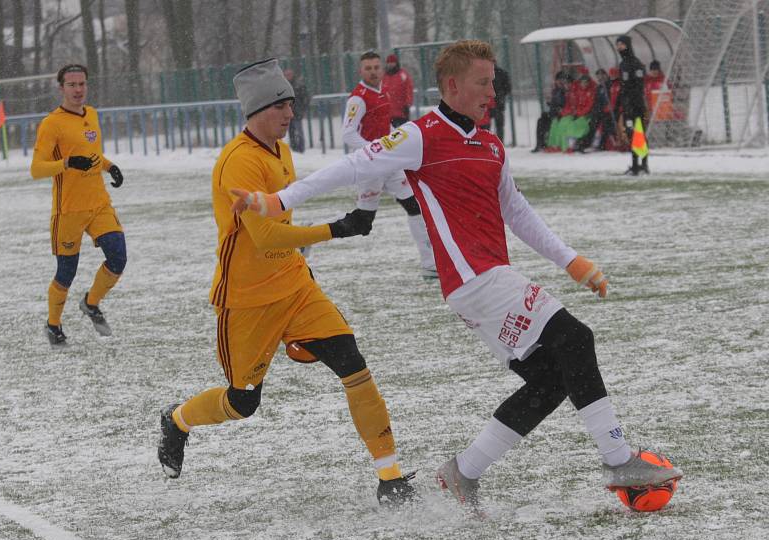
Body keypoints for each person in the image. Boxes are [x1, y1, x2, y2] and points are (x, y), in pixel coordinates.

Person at [230, 40, 683, 513]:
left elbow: (518, 212)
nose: (492, 92)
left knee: (551, 379)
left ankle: (464, 472)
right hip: (476, 280)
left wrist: (572, 261)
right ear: (452, 85)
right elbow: (353, 164)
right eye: (482, 83)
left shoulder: (490, 144)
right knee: (576, 339)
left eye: (493, 82)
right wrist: (280, 201)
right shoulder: (421, 135)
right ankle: (618, 460)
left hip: (486, 281)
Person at [157, 59, 415, 506]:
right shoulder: (237, 162)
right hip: (247, 299)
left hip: (295, 287)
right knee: (242, 403)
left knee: (353, 363)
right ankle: (176, 421)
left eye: (292, 106)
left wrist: (307, 264)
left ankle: (389, 477)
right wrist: (337, 228)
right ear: (259, 109)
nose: (291, 115)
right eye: (283, 107)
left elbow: (282, 225)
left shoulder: (280, 150)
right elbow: (267, 235)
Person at [30, 63, 126, 347]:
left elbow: (93, 154)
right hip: (68, 210)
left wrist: (110, 166)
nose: (78, 89)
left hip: (98, 204)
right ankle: (54, 325)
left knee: (118, 257)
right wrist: (67, 163)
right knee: (66, 273)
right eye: (71, 85)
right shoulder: (52, 123)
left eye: (82, 84)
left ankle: (90, 303)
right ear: (61, 88)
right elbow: (36, 168)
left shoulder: (92, 115)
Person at [343, 51, 436, 279]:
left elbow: (384, 126)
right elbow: (348, 134)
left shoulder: (383, 89)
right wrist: (372, 151)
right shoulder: (358, 98)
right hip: (371, 166)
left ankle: (430, 264)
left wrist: (395, 139)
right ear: (360, 71)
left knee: (415, 205)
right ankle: (311, 237)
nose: (373, 71)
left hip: (390, 163)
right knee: (363, 223)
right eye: (368, 68)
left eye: (376, 67)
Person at [614, 35, 649, 175]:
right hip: (627, 105)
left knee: (638, 134)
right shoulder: (622, 64)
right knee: (630, 133)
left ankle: (643, 165)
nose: (619, 47)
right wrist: (620, 103)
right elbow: (623, 87)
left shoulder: (636, 63)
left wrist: (631, 102)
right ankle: (635, 164)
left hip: (637, 105)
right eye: (617, 45)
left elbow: (638, 87)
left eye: (621, 44)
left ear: (628, 45)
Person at [575, 69, 617, 152]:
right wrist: (595, 110)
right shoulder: (599, 87)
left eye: (602, 75)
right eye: (598, 76)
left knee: (606, 124)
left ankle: (603, 144)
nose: (600, 77)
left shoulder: (610, 85)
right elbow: (596, 101)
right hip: (599, 111)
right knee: (592, 125)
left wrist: (606, 109)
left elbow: (613, 100)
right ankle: (584, 144)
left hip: (609, 111)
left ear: (606, 75)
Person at [533, 71, 570, 152]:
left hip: (561, 115)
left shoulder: (566, 91)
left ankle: (550, 144)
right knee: (541, 120)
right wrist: (550, 103)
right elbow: (554, 104)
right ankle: (540, 143)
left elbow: (565, 104)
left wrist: (557, 108)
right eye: (558, 80)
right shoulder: (555, 91)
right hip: (554, 113)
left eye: (562, 80)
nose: (560, 82)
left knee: (549, 121)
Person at [381, 54, 414, 128]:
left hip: (401, 112)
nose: (390, 65)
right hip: (388, 114)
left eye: (392, 63)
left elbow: (408, 89)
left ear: (396, 63)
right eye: (389, 63)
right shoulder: (383, 76)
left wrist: (407, 104)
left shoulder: (403, 75)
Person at [283, 68, 308, 153]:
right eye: (286, 75)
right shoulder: (284, 86)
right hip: (288, 113)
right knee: (291, 132)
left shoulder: (298, 85)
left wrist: (303, 108)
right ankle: (294, 148)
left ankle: (301, 149)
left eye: (289, 74)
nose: (288, 77)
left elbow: (305, 97)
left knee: (299, 131)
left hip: (297, 112)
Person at [488, 64, 511, 140]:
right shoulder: (501, 73)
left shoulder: (486, 72)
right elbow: (508, 88)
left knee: (488, 126)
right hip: (496, 103)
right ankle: (498, 143)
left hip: (491, 103)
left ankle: (491, 143)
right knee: (498, 126)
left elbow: (508, 88)